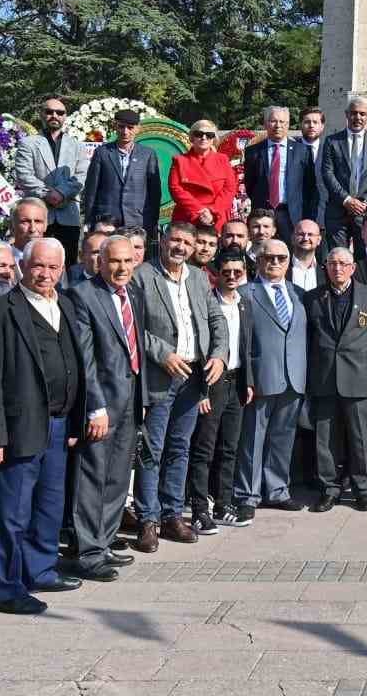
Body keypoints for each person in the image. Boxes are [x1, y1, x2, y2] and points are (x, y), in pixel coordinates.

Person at [0, 238, 84, 615]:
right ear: (23, 266)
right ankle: (6, 587)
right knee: (12, 512)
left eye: (53, 268)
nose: (45, 274)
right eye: (38, 266)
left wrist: (77, 415)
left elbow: (76, 360)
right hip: (20, 426)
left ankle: (40, 569)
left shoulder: (67, 304)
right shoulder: (3, 310)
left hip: (60, 423)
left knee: (48, 503)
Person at [128, 223, 227, 548]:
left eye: (187, 242)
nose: (181, 247)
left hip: (193, 376)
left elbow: (216, 320)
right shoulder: (142, 276)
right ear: (162, 240)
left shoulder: (199, 277)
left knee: (179, 449)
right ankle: (148, 520)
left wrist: (219, 356)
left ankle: (172, 515)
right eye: (176, 240)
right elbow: (132, 327)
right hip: (160, 376)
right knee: (151, 450)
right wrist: (161, 354)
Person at [64, 235, 144, 583]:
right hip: (103, 405)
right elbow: (86, 358)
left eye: (127, 261)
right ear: (100, 262)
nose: (121, 268)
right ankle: (88, 552)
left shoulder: (134, 293)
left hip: (131, 400)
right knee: (92, 478)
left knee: (116, 478)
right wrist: (95, 406)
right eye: (114, 261)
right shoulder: (84, 295)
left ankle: (105, 539)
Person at [234, 239, 306, 518]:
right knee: (252, 438)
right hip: (261, 379)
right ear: (258, 261)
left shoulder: (299, 294)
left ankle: (277, 490)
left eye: (281, 257)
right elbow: (241, 342)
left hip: (294, 378)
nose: (275, 262)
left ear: (289, 262)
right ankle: (248, 495)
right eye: (269, 257)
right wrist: (247, 379)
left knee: (282, 437)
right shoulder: (244, 294)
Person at [304, 248, 367, 513]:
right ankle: (329, 489)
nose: (337, 268)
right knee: (325, 438)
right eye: (332, 263)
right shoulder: (312, 298)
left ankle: (364, 490)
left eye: (343, 263)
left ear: (352, 268)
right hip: (323, 376)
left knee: (360, 436)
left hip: (359, 376)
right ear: (325, 267)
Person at [188, 249, 252, 534]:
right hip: (211, 382)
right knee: (204, 449)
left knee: (229, 448)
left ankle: (224, 504)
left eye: (238, 272)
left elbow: (246, 347)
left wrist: (248, 381)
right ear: (217, 274)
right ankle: (200, 510)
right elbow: (199, 349)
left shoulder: (244, 303)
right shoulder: (206, 303)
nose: (233, 277)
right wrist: (200, 391)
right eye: (227, 272)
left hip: (236, 382)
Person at [11, 96, 87, 262]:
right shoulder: (28, 144)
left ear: (65, 116)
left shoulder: (77, 145)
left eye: (60, 112)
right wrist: (47, 194)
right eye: (49, 112)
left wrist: (61, 193)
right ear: (41, 114)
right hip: (37, 217)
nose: (55, 115)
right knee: (36, 262)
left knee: (68, 265)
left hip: (69, 216)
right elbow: (24, 174)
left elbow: (82, 175)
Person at [320, 98, 367, 250]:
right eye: (353, 113)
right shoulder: (332, 141)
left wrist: (363, 200)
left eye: (362, 114)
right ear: (346, 114)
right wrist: (346, 200)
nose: (358, 117)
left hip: (366, 211)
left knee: (363, 259)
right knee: (338, 257)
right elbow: (327, 173)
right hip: (338, 210)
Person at [243, 106, 315, 243]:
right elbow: (250, 184)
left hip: (291, 214)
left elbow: (309, 185)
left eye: (282, 122)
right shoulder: (253, 152)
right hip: (263, 214)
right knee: (262, 253)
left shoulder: (303, 151)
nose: (278, 126)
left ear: (288, 125)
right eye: (273, 121)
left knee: (291, 252)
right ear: (265, 124)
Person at [81, 110, 162, 229]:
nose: (125, 131)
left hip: (137, 220)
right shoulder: (102, 152)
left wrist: (153, 220)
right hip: (106, 221)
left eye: (130, 127)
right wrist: (89, 220)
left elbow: (154, 192)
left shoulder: (147, 154)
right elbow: (91, 189)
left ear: (138, 128)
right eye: (121, 127)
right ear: (115, 126)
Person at [289, 219, 326, 294]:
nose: (306, 238)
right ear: (293, 238)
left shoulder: (327, 272)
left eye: (310, 235)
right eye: (301, 234)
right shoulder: (281, 268)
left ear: (319, 240)